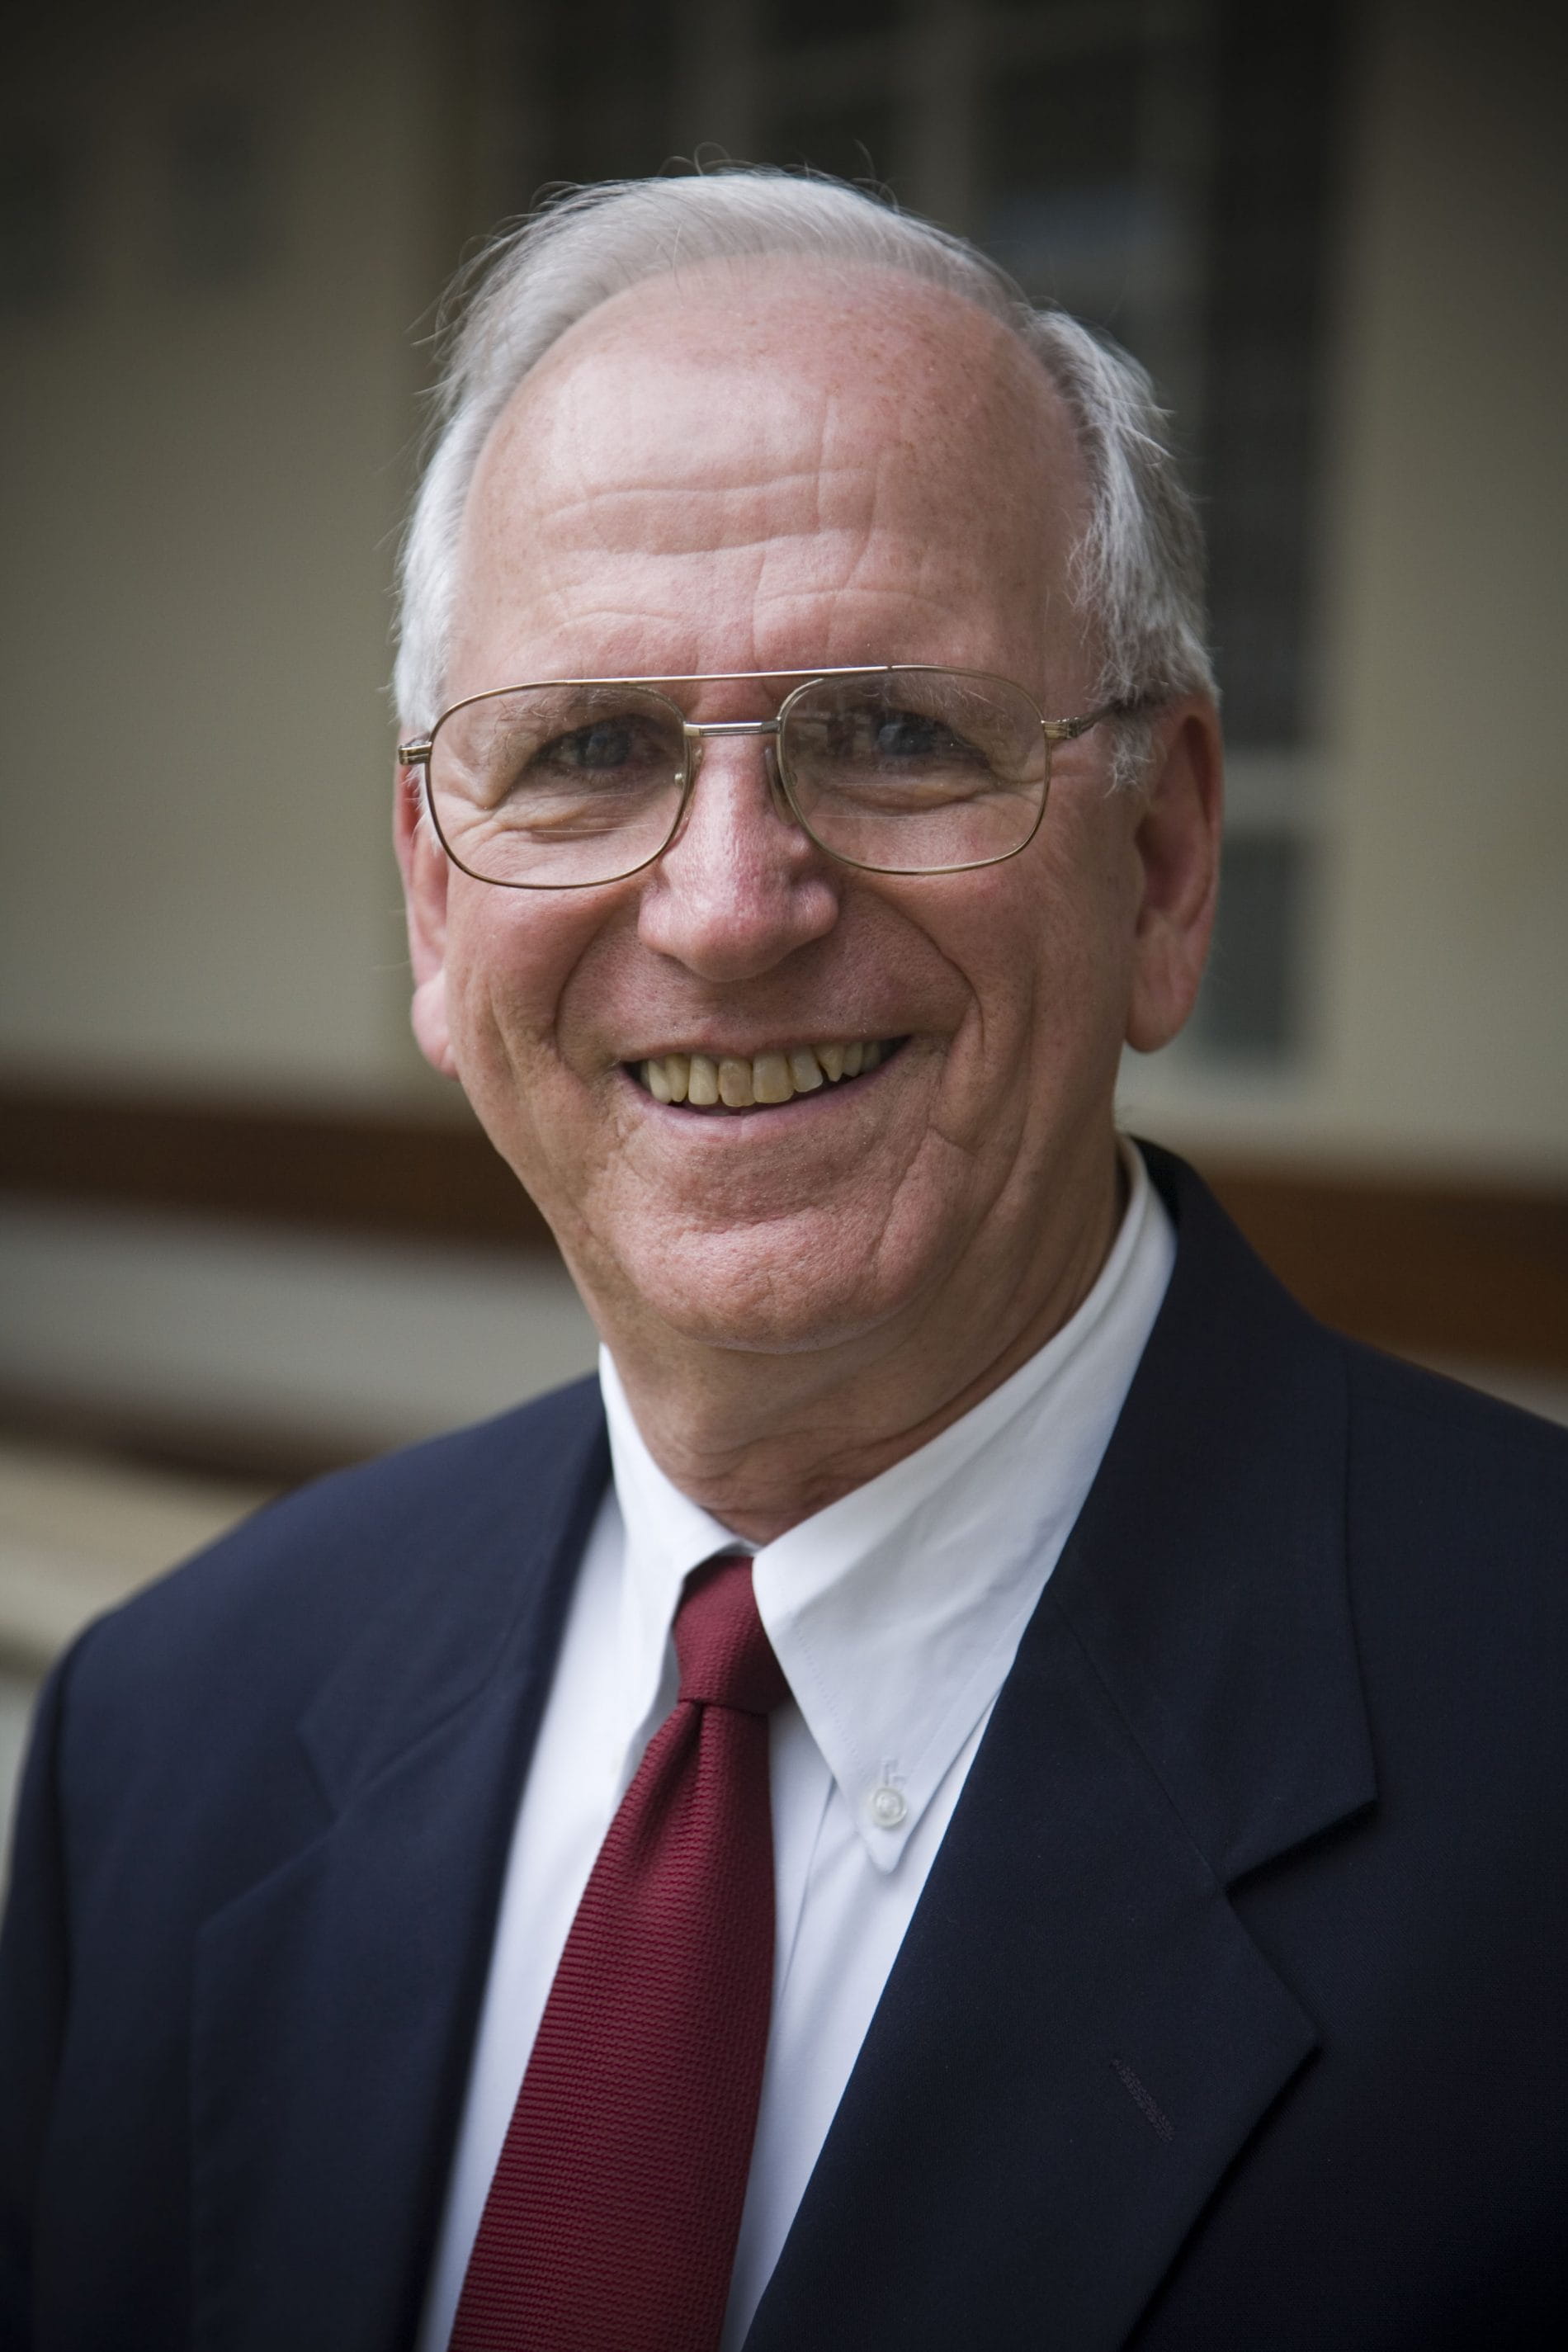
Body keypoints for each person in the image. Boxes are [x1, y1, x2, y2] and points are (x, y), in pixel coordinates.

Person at [1, 169, 1564, 2352]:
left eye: (894, 732)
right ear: (439, 912)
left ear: (1166, 854)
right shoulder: (170, 1735)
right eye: (588, 750)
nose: (729, 905)